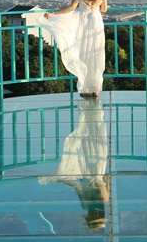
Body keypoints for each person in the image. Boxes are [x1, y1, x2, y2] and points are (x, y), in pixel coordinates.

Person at [39, 95, 110, 231]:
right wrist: (61, 178)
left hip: (100, 168)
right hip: (88, 171)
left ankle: (95, 103)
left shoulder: (105, 200)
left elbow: (106, 179)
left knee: (97, 136)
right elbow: (77, 185)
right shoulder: (87, 205)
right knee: (87, 141)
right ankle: (92, 104)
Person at [42, 0, 108, 97]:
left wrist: (53, 13)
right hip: (96, 22)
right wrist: (94, 8)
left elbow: (72, 7)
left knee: (83, 52)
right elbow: (104, 9)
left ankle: (86, 87)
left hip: (84, 22)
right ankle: (95, 88)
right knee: (95, 54)